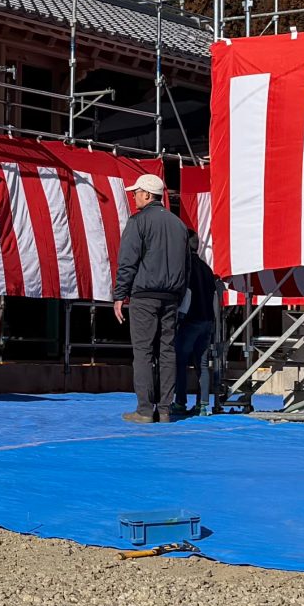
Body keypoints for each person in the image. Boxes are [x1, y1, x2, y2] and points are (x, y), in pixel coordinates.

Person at [112, 173, 191, 423]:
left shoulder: (138, 222)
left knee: (143, 351)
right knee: (167, 351)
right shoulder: (179, 225)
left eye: (136, 192)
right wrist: (178, 294)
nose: (134, 197)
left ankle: (145, 410)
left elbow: (128, 261)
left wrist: (119, 295)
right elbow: (186, 266)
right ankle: (165, 409)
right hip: (171, 297)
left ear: (147, 194)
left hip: (144, 295)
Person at [171, 239, 224, 418]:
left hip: (190, 319)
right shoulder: (206, 268)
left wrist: (179, 317)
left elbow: (184, 292)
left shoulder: (185, 266)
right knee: (202, 364)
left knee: (180, 361)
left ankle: (180, 402)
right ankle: (203, 405)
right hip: (207, 320)